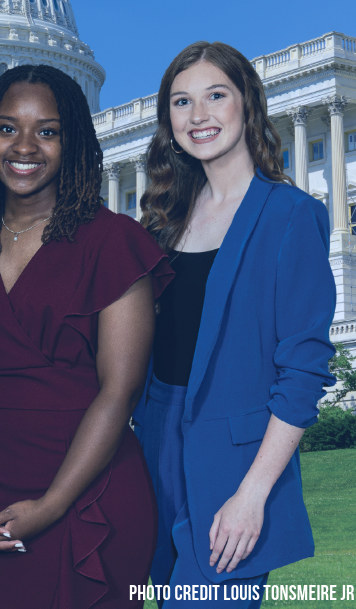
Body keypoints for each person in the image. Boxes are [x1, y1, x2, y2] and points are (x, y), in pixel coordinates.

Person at [0, 64, 173, 608]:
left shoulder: (114, 242)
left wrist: (53, 503)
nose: (25, 146)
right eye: (7, 127)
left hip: (86, 494)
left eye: (48, 131)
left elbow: (120, 389)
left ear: (74, 142)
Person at [134, 41, 335, 608]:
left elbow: (302, 372)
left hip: (233, 465)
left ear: (247, 103)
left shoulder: (291, 214)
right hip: (153, 452)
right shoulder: (160, 222)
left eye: (215, 96)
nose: (198, 116)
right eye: (181, 102)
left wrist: (253, 493)